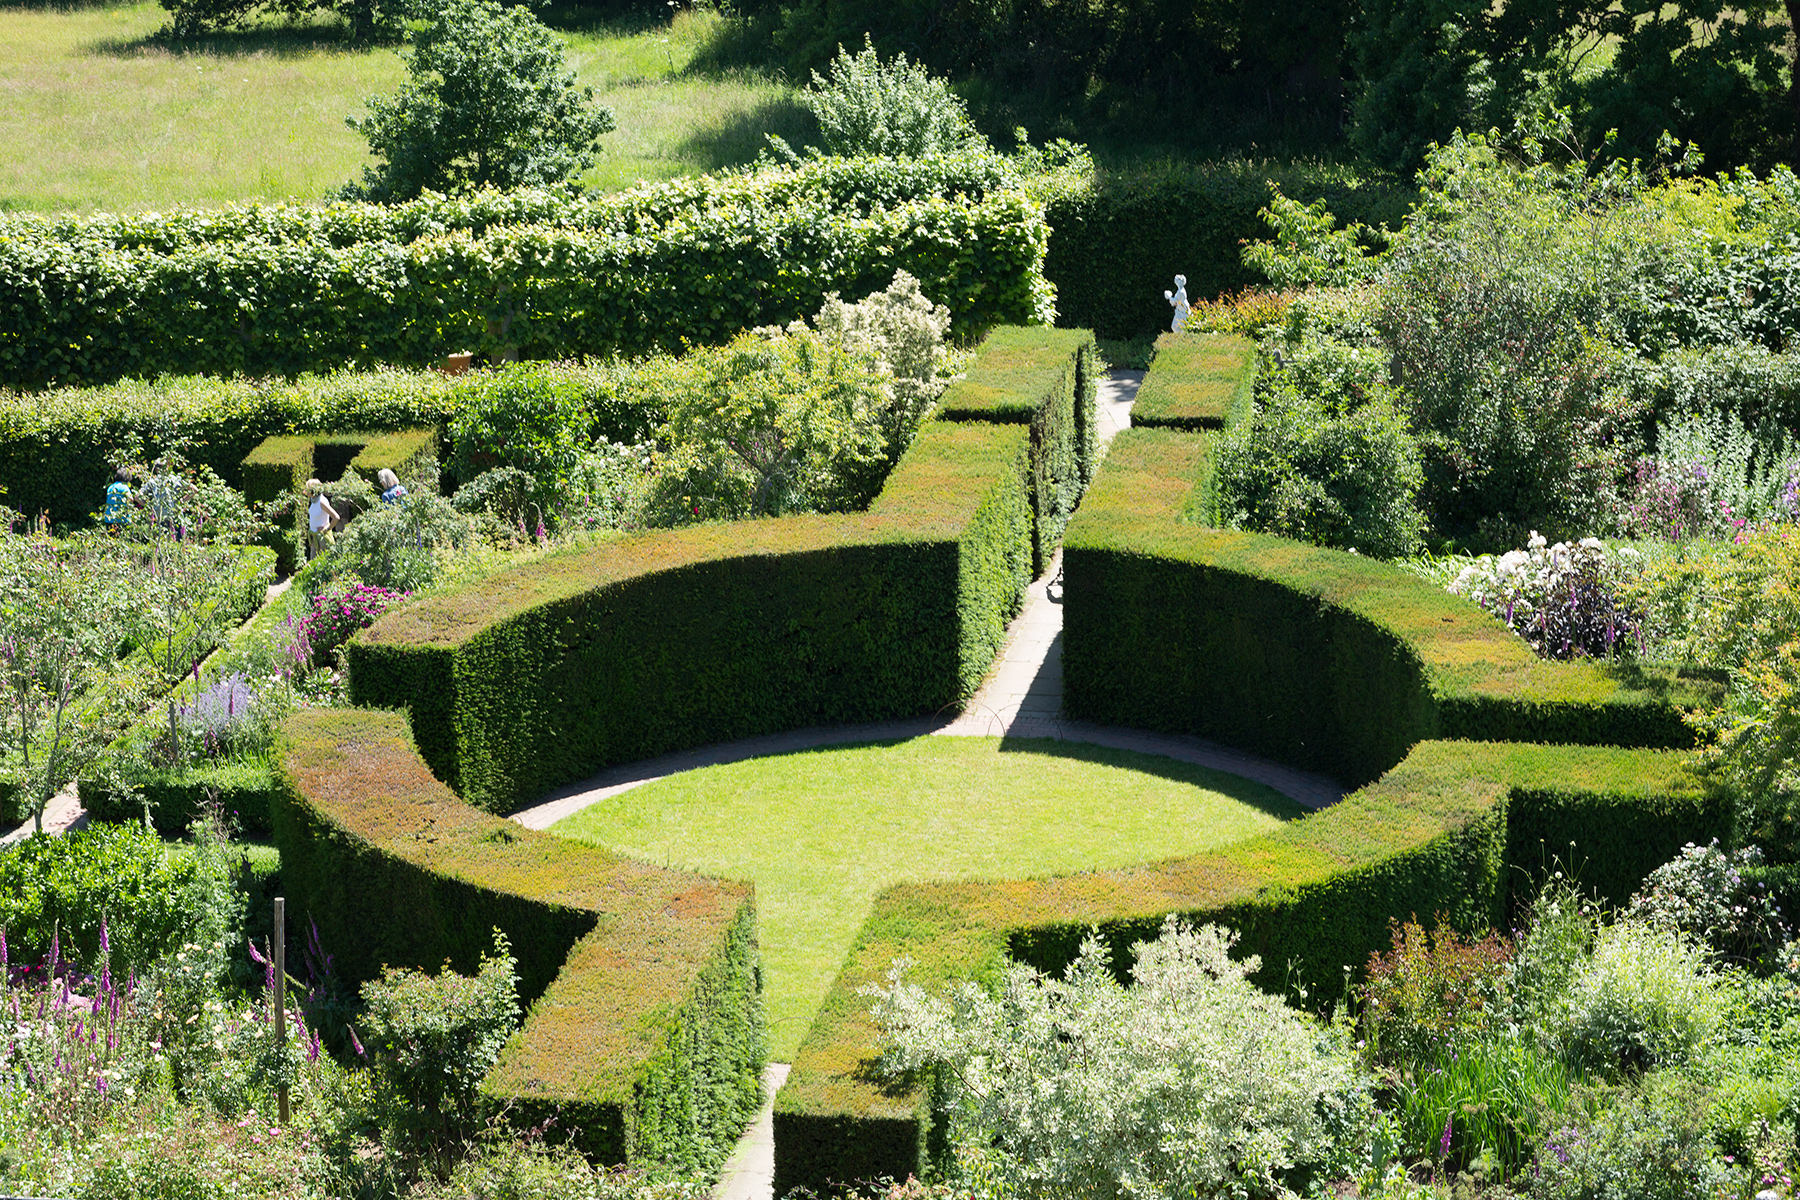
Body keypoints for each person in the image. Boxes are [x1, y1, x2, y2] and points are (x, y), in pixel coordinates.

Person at [305, 479, 339, 560]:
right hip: (314, 537)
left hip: (322, 539)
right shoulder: (313, 501)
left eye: (308, 489)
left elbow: (336, 517)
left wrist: (327, 529)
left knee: (324, 562)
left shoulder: (322, 502)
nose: (306, 491)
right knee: (313, 564)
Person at [102, 467, 133, 531]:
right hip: (122, 519)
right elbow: (130, 499)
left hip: (109, 519)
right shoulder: (124, 487)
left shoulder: (110, 487)